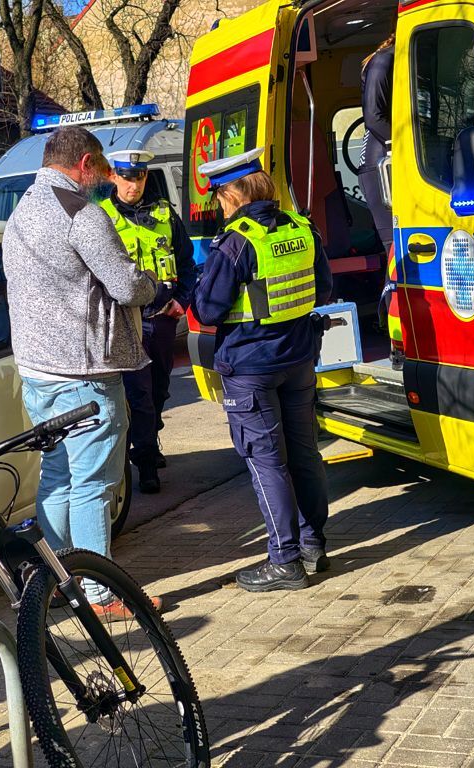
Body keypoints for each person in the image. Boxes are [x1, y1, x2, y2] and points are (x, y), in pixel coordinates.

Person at [1, 126, 158, 618]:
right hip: (85, 373)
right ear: (84, 164)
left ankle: (56, 580)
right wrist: (153, 283)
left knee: (57, 476)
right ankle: (99, 593)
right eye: (103, 169)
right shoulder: (82, 216)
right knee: (92, 483)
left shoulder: (21, 210)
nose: (109, 179)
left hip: (38, 371)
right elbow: (126, 286)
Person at [192, 147, 333, 593]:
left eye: (219, 198)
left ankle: (284, 561)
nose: (219, 206)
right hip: (299, 357)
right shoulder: (302, 227)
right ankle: (312, 545)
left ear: (232, 196)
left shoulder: (236, 241)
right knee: (305, 453)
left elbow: (208, 308)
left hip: (251, 366)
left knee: (266, 463)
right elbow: (324, 287)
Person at [101, 149, 198, 494]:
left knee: (158, 389)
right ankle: (144, 463)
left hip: (162, 320)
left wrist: (181, 301)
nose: (134, 184)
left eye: (140, 177)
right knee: (138, 394)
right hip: (127, 323)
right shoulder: (101, 218)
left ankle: (149, 440)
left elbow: (187, 265)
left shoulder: (164, 214)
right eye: (127, 177)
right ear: (113, 176)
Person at [359, 33, 394, 254]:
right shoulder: (384, 59)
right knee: (395, 246)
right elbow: (373, 116)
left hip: (386, 151)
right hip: (380, 158)